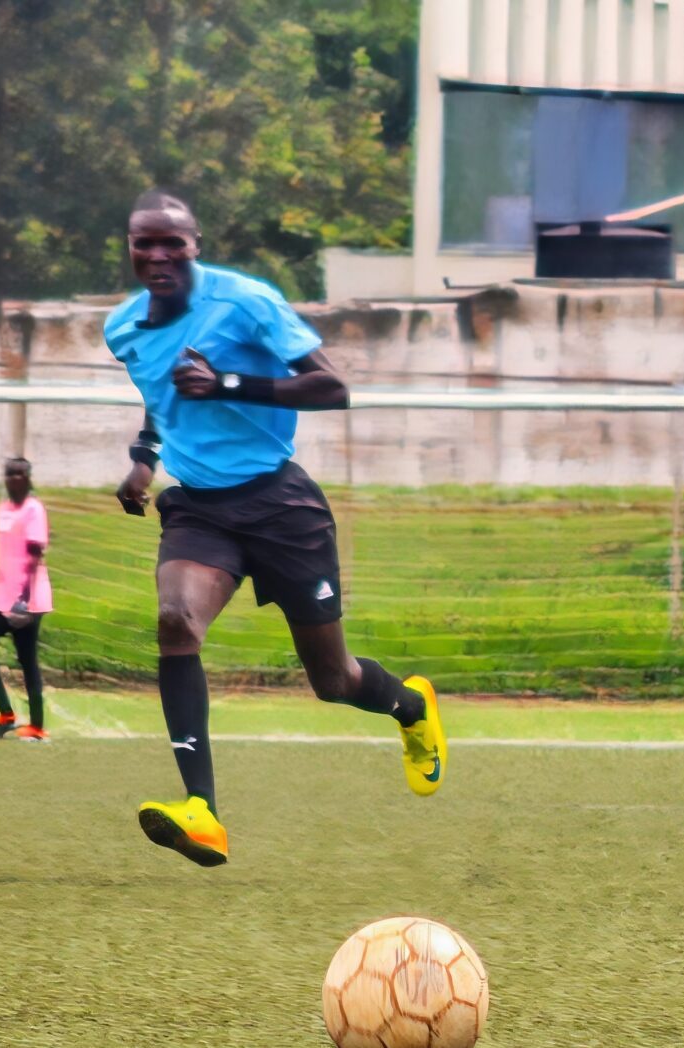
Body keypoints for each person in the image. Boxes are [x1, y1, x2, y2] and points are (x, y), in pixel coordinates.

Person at [102, 190, 447, 868]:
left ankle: (410, 708)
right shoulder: (122, 328)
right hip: (199, 507)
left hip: (281, 503)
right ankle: (202, 813)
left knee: (334, 680)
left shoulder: (245, 301)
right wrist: (144, 462)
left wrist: (228, 384)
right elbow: (158, 394)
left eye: (174, 241)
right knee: (176, 620)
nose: (160, 254)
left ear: (196, 242)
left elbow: (332, 389)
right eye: (147, 241)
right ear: (131, 247)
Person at [0, 457, 51, 741]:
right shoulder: (2, 510)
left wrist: (25, 600)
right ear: (5, 478)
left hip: (29, 598)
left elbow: (34, 557)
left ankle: (37, 727)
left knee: (26, 659)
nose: (15, 478)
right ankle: (6, 715)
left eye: (20, 474)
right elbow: (3, 558)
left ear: (28, 478)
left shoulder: (34, 510)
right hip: (2, 597)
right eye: (10, 474)